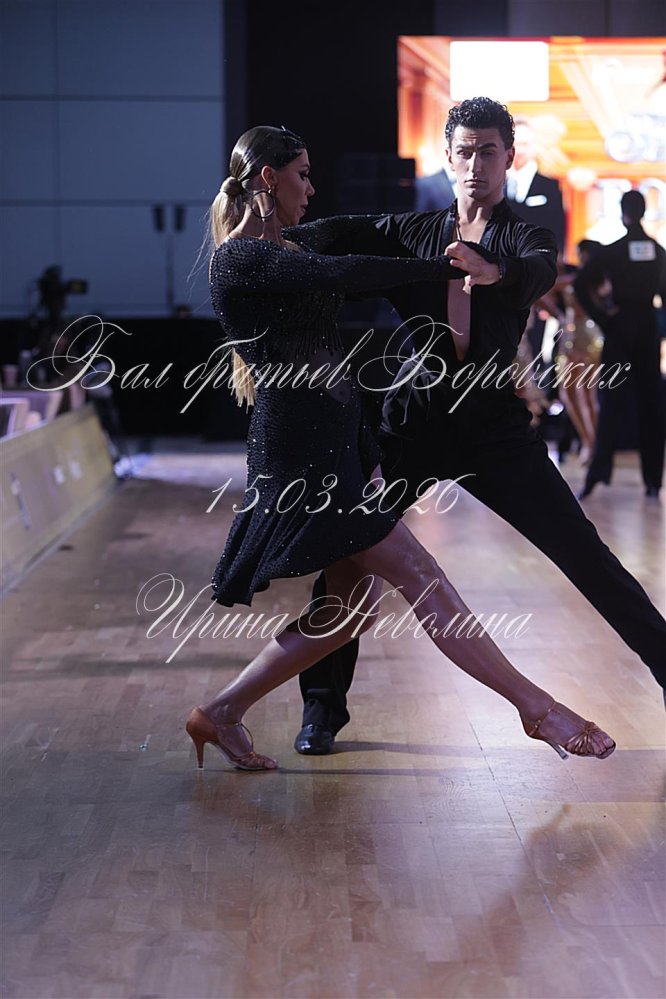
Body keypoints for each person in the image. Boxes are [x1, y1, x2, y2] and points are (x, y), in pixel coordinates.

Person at [185, 124, 615, 771]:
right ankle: (538, 709)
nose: (312, 188)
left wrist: (365, 453)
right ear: (268, 179)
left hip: (338, 450)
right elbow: (348, 271)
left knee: (350, 611)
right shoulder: (241, 259)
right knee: (419, 572)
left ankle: (220, 712)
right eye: (302, 175)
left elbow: (340, 282)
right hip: (300, 458)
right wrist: (445, 265)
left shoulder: (289, 245)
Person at [285, 98, 665, 756]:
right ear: (447, 156)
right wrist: (269, 239)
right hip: (414, 426)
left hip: (494, 431)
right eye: (464, 151)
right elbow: (341, 232)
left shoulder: (523, 236)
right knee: (345, 555)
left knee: (585, 554)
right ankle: (321, 708)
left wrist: (498, 271)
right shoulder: (414, 232)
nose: (475, 164)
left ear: (508, 158)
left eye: (489, 151)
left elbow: (539, 268)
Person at [575, 190, 666, 499]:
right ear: (643, 211)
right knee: (651, 405)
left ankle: (598, 474)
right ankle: (653, 480)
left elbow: (580, 284)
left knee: (611, 403)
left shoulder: (613, 251)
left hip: (620, 329)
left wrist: (604, 318)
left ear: (622, 212)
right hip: (647, 330)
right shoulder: (658, 251)